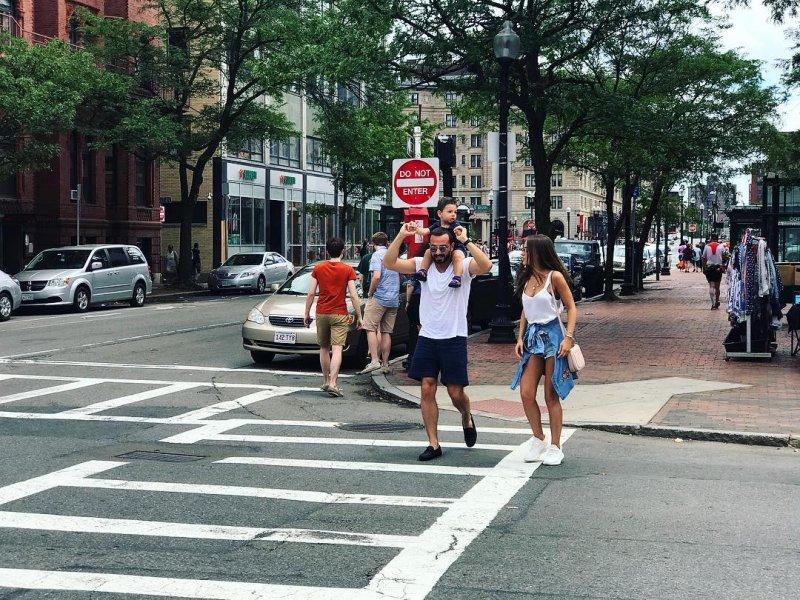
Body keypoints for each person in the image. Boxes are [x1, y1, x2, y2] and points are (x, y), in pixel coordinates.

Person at [383, 221, 493, 461]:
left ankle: (466, 415)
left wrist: (466, 241)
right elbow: (389, 263)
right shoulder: (422, 265)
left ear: (451, 247)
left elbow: (486, 265)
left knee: (455, 392)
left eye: (443, 248)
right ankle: (434, 443)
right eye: (433, 248)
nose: (438, 252)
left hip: (454, 336)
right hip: (428, 337)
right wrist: (402, 235)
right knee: (427, 387)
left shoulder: (462, 266)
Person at [511, 235, 578, 466]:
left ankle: (555, 446)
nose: (522, 253)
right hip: (532, 338)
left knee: (551, 395)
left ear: (536, 252)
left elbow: (571, 307)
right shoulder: (527, 277)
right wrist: (520, 337)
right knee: (526, 392)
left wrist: (568, 338)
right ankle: (538, 438)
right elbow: (524, 310)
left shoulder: (554, 277)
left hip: (553, 337)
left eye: (525, 250)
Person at [303, 237, 363, 398]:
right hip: (340, 313)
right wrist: (360, 316)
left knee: (323, 348)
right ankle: (333, 383)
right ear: (343, 251)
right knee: (337, 348)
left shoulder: (318, 268)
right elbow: (354, 295)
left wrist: (306, 313)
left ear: (327, 251)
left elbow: (310, 293)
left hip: (322, 311)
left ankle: (325, 380)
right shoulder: (348, 270)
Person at [361, 232, 400, 374]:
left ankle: (374, 360)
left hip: (380, 296)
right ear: (387, 242)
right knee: (386, 331)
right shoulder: (393, 255)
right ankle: (385, 363)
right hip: (394, 298)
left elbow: (376, 276)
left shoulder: (376, 256)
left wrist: (370, 292)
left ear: (373, 244)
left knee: (370, 327)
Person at [414, 198, 466, 288]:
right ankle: (423, 271)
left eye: (455, 212)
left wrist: (460, 232)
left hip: (457, 248)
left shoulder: (455, 224)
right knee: (427, 252)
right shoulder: (437, 225)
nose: (453, 214)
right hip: (441, 250)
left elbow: (462, 230)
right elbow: (425, 231)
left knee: (457, 255)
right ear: (439, 213)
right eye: (450, 212)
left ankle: (457, 277)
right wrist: (416, 229)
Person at [702, 233, 726, 309]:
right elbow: (725, 257)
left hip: (709, 268)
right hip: (718, 268)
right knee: (717, 286)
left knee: (711, 285)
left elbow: (703, 258)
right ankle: (717, 300)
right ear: (717, 238)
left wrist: (704, 268)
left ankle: (712, 303)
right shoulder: (721, 246)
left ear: (711, 238)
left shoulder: (706, 246)